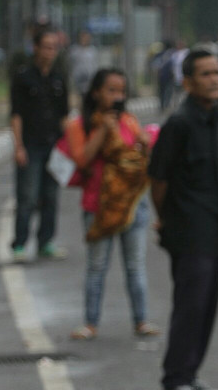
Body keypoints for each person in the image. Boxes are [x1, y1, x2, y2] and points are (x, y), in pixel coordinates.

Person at [147, 49, 218, 390]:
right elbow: (158, 179)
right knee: (189, 306)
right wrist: (165, 217)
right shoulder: (179, 124)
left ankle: (191, 373)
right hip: (188, 230)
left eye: (217, 72)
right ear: (187, 81)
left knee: (206, 307)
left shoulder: (215, 119)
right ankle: (174, 382)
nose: (214, 79)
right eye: (205, 73)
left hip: (214, 229)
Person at [64, 68, 160, 341]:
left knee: (135, 266)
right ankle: (91, 323)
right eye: (111, 90)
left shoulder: (129, 121)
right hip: (98, 207)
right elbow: (81, 160)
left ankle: (141, 320)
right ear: (96, 92)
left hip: (132, 205)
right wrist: (103, 129)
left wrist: (144, 142)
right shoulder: (79, 124)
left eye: (121, 91)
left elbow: (140, 161)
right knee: (96, 267)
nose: (117, 96)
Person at [9, 27, 69, 262]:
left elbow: (64, 115)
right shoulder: (23, 77)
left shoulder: (58, 79)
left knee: (51, 196)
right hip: (31, 145)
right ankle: (20, 244)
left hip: (54, 145)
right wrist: (18, 146)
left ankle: (46, 241)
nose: (50, 51)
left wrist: (68, 147)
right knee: (28, 197)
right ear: (35, 48)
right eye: (46, 46)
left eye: (54, 47)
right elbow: (16, 115)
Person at [69, 30, 98, 96]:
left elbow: (94, 64)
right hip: (77, 78)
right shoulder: (74, 50)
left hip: (89, 77)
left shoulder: (92, 50)